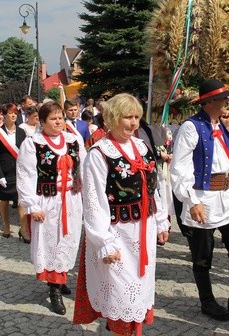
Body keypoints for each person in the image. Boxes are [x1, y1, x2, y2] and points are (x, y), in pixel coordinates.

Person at [73, 93, 170, 335]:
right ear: (113, 118)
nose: (133, 123)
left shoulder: (142, 147)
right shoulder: (99, 154)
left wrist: (160, 221)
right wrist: (104, 242)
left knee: (138, 290)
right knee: (121, 294)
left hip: (143, 233)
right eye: (128, 117)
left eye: (136, 117)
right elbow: (93, 201)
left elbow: (153, 188)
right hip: (117, 233)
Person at [170, 79, 229, 324]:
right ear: (209, 103)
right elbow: (180, 168)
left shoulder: (226, 126)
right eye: (223, 99)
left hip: (228, 197)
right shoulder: (191, 127)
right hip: (203, 196)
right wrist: (192, 200)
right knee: (202, 255)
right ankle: (207, 301)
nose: (228, 102)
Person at [16, 101, 86, 315]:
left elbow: (85, 168)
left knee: (68, 240)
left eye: (61, 118)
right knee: (51, 242)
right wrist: (32, 205)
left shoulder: (74, 141)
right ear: (43, 122)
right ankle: (54, 288)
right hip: (48, 201)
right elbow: (26, 175)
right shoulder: (32, 144)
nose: (59, 122)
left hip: (71, 200)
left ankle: (61, 275)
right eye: (53, 119)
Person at [0, 103, 30, 241]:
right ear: (4, 115)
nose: (13, 115)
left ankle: (24, 229)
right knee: (4, 200)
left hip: (19, 171)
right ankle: (6, 225)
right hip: (5, 172)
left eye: (15, 113)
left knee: (21, 200)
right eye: (10, 113)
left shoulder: (21, 132)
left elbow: (25, 152)